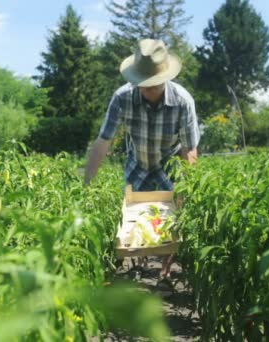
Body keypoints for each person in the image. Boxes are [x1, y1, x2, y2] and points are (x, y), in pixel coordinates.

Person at [84, 38, 200, 282]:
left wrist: (189, 188)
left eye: (153, 84)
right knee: (132, 214)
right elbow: (103, 141)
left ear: (164, 78)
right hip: (138, 161)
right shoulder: (122, 97)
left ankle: (166, 269)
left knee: (174, 215)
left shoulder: (182, 101)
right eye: (142, 84)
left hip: (169, 161)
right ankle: (139, 261)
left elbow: (189, 149)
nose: (146, 89)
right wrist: (87, 184)